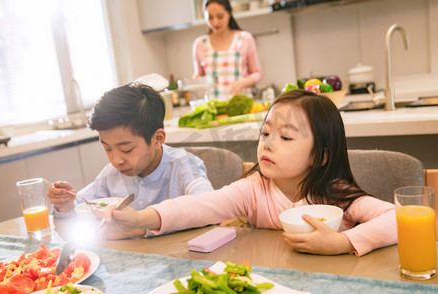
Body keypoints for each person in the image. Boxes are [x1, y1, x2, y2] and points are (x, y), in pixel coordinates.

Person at [96, 89, 397, 256]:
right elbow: (201, 206)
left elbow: (401, 217)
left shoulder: (337, 194)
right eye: (265, 134)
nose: (268, 144)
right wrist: (141, 218)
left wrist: (343, 243)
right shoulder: (254, 188)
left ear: (320, 155)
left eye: (286, 137)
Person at [48, 83, 214, 222]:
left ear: (157, 138)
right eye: (107, 148)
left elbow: (209, 207)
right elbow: (80, 206)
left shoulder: (185, 167)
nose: (116, 160)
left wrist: (143, 222)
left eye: (126, 149)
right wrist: (66, 204)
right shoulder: (110, 176)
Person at [193, 0, 262, 100]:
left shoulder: (245, 38)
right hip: (214, 107)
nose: (215, 22)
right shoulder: (199, 44)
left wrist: (243, 82)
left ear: (229, 13)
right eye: (210, 17)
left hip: (242, 104)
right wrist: (197, 81)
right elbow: (198, 75)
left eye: (220, 16)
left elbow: (257, 73)